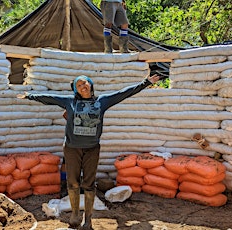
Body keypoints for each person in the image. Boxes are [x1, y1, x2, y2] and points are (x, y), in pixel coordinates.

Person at [18, 74, 159, 229]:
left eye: (85, 82)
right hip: (72, 149)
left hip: (92, 149)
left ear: (91, 84)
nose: (83, 86)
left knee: (89, 184)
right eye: (78, 85)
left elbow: (123, 93)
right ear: (75, 90)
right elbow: (50, 98)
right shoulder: (69, 102)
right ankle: (75, 215)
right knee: (72, 183)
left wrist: (146, 83)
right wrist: (30, 96)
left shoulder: (102, 101)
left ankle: (88, 220)